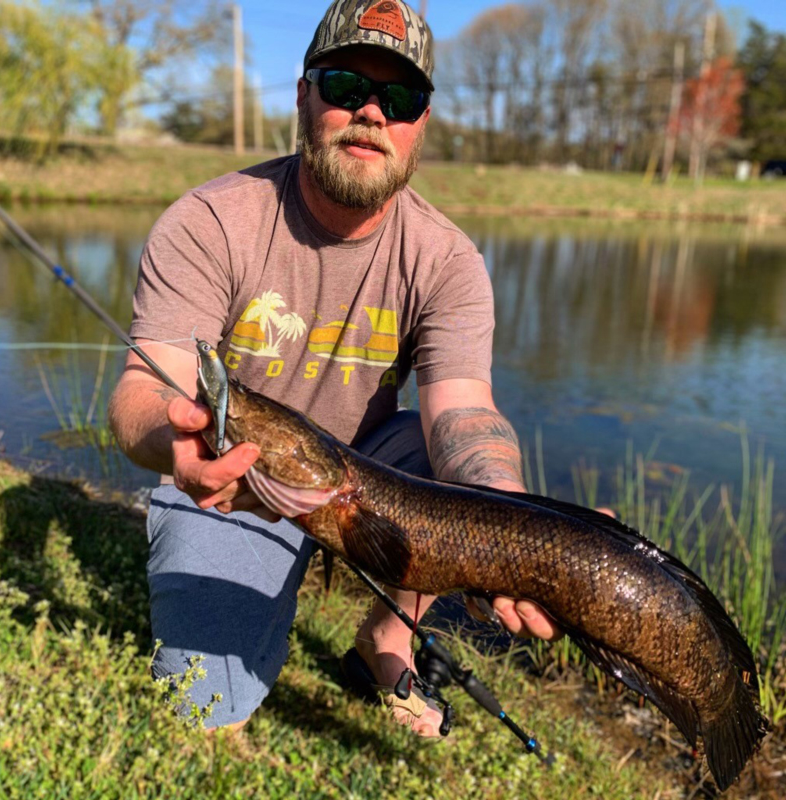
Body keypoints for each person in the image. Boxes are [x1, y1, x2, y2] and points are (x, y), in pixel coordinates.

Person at [109, 0, 560, 739]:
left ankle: (388, 634)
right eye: (347, 85)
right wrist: (174, 440)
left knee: (446, 467)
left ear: (421, 123)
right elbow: (140, 391)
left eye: (402, 97)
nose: (373, 112)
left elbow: (462, 413)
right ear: (303, 97)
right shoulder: (210, 221)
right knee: (203, 707)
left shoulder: (446, 260)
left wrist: (506, 515)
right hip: (237, 486)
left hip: (364, 482)